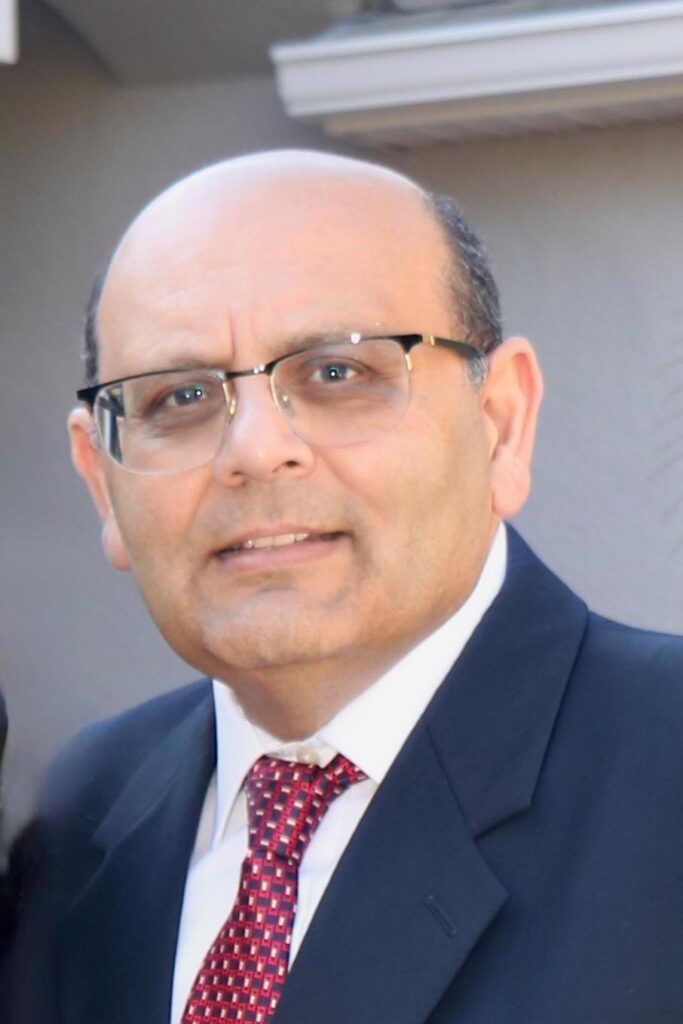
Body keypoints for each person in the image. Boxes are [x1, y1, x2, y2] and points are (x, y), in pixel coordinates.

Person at [3, 150, 683, 1024]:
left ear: (500, 423)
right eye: (180, 397)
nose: (255, 451)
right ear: (102, 480)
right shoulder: (76, 812)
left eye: (337, 372)